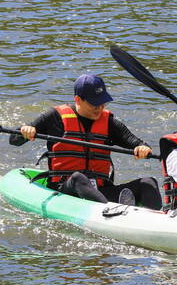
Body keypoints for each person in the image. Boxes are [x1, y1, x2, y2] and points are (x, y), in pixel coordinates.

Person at [16, 74, 162, 210]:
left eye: (102, 103)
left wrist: (143, 148)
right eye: (94, 104)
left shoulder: (109, 122)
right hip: (65, 191)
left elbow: (135, 142)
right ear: (78, 100)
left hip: (101, 192)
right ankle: (112, 211)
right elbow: (14, 140)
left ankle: (158, 222)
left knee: (148, 183)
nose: (100, 108)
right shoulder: (55, 117)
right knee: (78, 178)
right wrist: (25, 132)